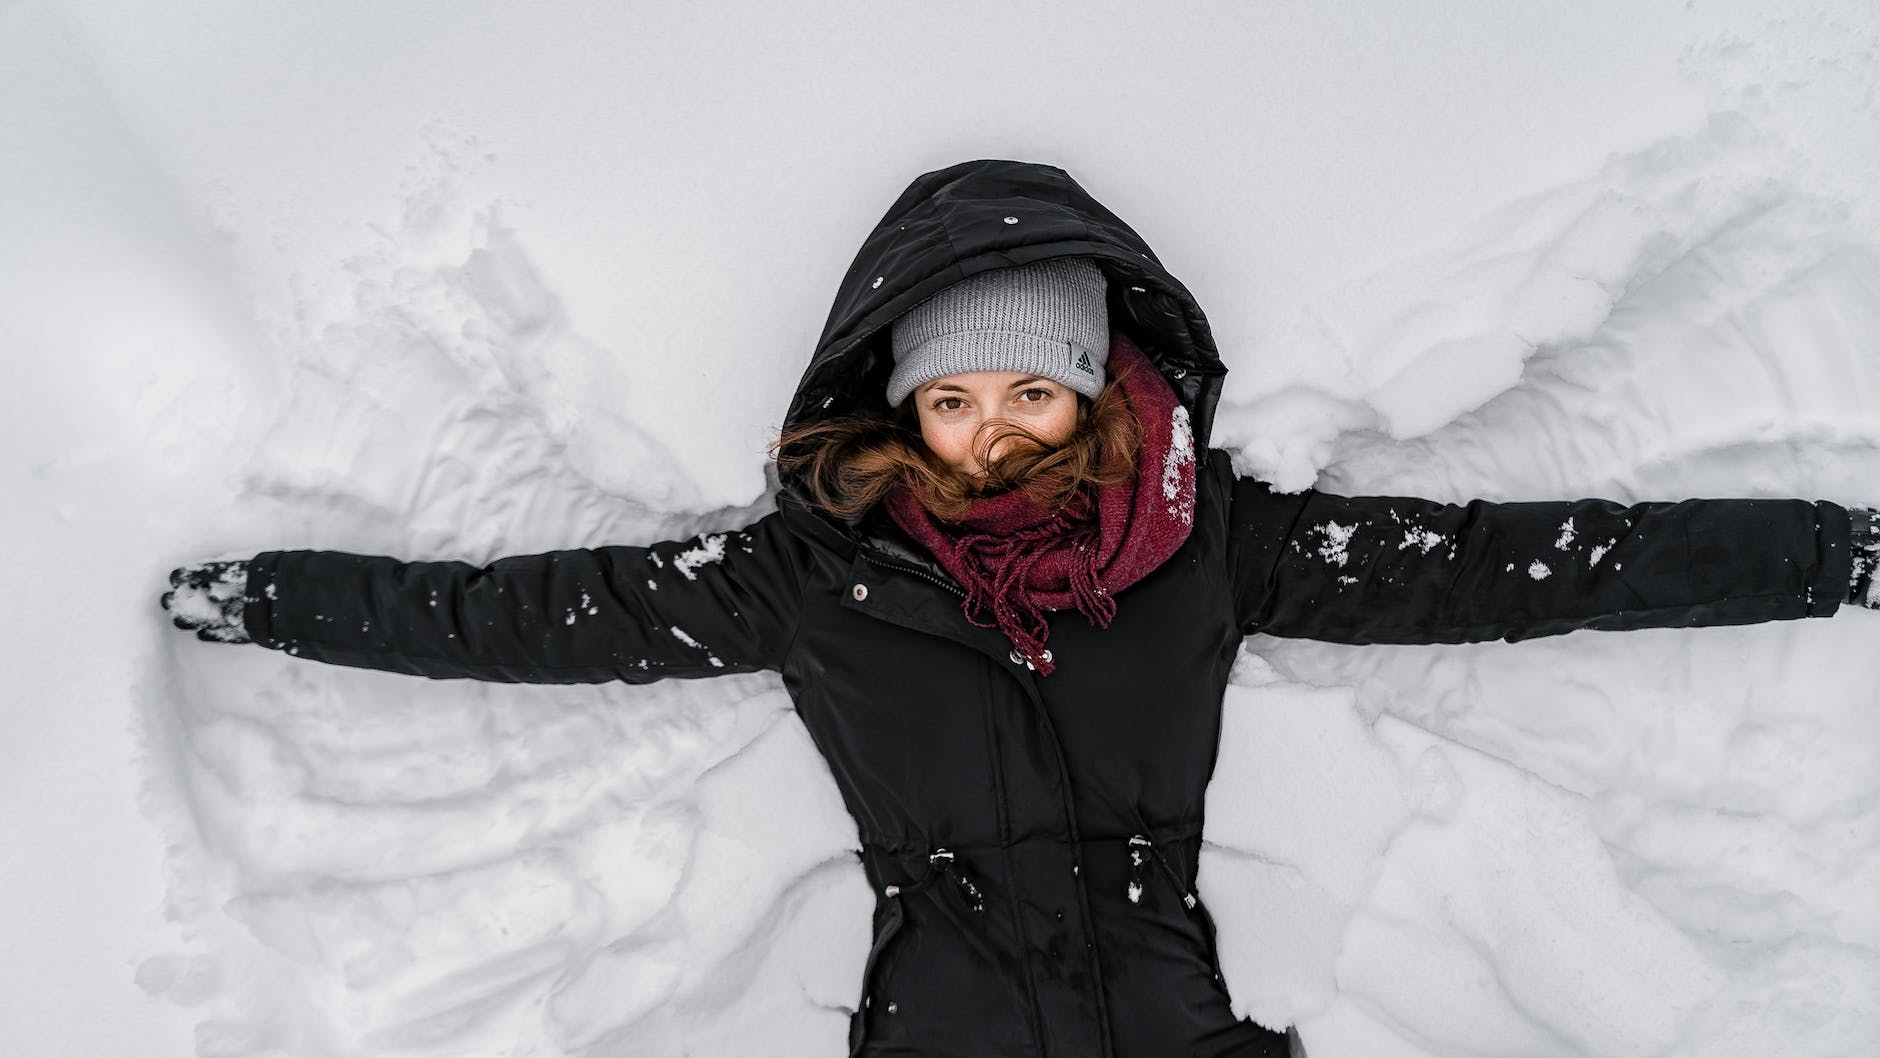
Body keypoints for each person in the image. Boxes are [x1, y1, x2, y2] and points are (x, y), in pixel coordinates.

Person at [162, 158, 1880, 1058]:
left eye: (1030, 395)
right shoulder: (815, 570)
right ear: (897, 405)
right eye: (953, 400)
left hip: (1175, 1008)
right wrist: (263, 597)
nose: (989, 433)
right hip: (947, 1022)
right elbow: (514, 620)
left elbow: (1524, 566)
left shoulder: (1212, 544)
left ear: (1096, 395)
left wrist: (1830, 552)